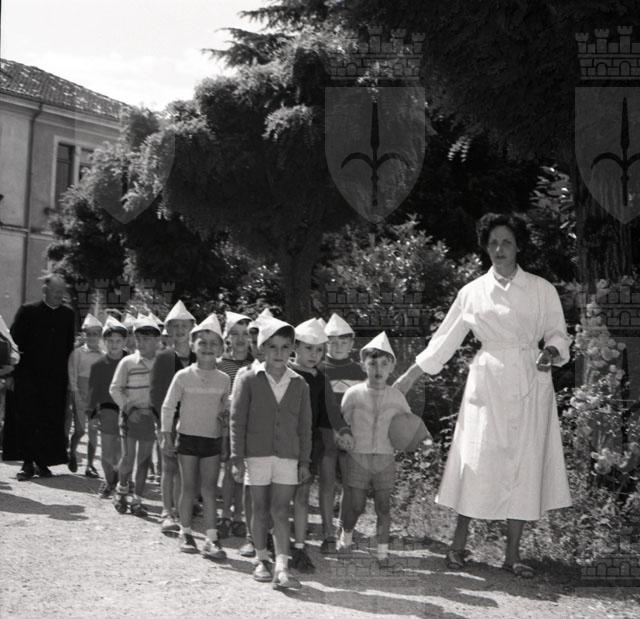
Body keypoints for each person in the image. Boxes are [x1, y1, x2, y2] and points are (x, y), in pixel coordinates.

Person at [395, 212, 572, 578]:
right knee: (476, 459)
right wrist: (410, 376)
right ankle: (458, 546)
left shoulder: (542, 289)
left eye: (506, 242)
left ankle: (512, 555)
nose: (499, 249)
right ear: (485, 247)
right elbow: (444, 340)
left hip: (531, 379)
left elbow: (558, 332)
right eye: (493, 242)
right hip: (487, 383)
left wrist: (551, 351)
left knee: (524, 463)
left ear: (518, 246)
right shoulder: (472, 292)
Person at [230, 318, 312, 590]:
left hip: (288, 457)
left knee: (280, 510)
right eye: (273, 347)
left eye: (285, 347)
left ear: (292, 350)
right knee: (260, 508)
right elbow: (237, 420)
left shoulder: (300, 383)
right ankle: (261, 558)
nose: (279, 353)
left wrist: (304, 461)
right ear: (262, 348)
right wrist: (236, 457)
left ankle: (282, 567)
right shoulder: (249, 378)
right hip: (257, 455)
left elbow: (305, 426)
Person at [338, 332, 413, 565]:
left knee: (383, 506)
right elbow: (342, 423)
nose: (378, 369)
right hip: (358, 456)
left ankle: (382, 553)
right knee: (356, 505)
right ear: (363, 365)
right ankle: (346, 537)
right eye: (372, 364)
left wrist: (409, 440)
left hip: (385, 458)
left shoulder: (397, 397)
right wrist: (343, 437)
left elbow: (407, 424)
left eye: (384, 364)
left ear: (392, 367)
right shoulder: (353, 394)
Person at [161, 314, 229, 560]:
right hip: (187, 439)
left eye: (213, 343)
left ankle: (211, 538)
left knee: (209, 489)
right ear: (192, 346)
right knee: (188, 487)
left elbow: (225, 413)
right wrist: (166, 436)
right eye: (202, 343)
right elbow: (168, 406)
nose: (208, 348)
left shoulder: (224, 379)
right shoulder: (183, 376)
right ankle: (186, 531)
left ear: (221, 348)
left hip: (211, 441)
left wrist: (225, 441)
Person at [289, 318, 354, 572]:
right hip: (283, 442)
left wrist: (343, 431)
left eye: (319, 350)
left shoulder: (321, 379)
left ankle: (299, 546)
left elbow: (330, 413)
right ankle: (269, 539)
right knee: (280, 493)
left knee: (302, 493)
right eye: (308, 348)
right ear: (295, 346)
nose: (314, 354)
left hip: (311, 445)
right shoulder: (284, 372)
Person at [2, 274, 75, 480]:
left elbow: (69, 347)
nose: (59, 295)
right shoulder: (28, 311)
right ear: (45, 291)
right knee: (27, 419)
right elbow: (13, 345)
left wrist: (70, 378)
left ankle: (43, 462)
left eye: (62, 292)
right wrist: (11, 374)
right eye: (55, 291)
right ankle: (27, 463)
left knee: (49, 420)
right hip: (28, 377)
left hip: (55, 379)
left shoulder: (68, 315)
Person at [149, 300, 196, 533]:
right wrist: (162, 426)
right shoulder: (163, 357)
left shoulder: (200, 357)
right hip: (170, 420)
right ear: (168, 328)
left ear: (191, 327)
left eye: (183, 326)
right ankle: (167, 511)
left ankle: (181, 507)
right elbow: (156, 393)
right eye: (175, 326)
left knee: (187, 468)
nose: (179, 330)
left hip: (194, 422)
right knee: (169, 466)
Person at [109, 315, 161, 516]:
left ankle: (137, 500)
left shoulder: (162, 363)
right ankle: (121, 491)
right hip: (130, 416)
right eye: (138, 338)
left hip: (149, 418)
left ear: (157, 340)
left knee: (144, 460)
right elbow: (115, 389)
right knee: (128, 457)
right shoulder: (128, 362)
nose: (141, 343)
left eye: (147, 339)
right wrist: (128, 408)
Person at [321, 313, 366, 541]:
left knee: (350, 483)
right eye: (333, 341)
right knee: (327, 482)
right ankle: (327, 529)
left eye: (344, 341)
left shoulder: (360, 372)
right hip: (325, 433)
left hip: (351, 434)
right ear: (325, 342)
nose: (338, 346)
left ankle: (343, 527)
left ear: (352, 343)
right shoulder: (319, 368)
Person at [217, 311, 253, 539]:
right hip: (226, 425)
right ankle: (225, 514)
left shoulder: (253, 365)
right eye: (235, 334)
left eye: (245, 334)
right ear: (227, 337)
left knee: (244, 472)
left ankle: (239, 515)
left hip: (250, 425)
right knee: (230, 471)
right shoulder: (220, 364)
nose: (240, 339)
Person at [87, 316, 128, 498]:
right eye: (110, 341)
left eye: (118, 341)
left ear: (124, 342)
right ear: (104, 341)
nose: (114, 345)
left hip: (128, 411)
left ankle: (121, 481)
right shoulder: (98, 365)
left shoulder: (132, 362)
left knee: (123, 451)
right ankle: (109, 480)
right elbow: (93, 392)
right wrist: (92, 415)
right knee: (107, 453)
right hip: (107, 410)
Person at [67, 313, 104, 477]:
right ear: (84, 335)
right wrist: (75, 394)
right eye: (89, 334)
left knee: (93, 431)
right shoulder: (78, 353)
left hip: (96, 397)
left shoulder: (103, 355)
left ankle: (90, 465)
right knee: (80, 430)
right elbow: (72, 374)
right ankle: (72, 452)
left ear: (100, 335)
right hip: (80, 394)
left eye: (95, 334)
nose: (92, 337)